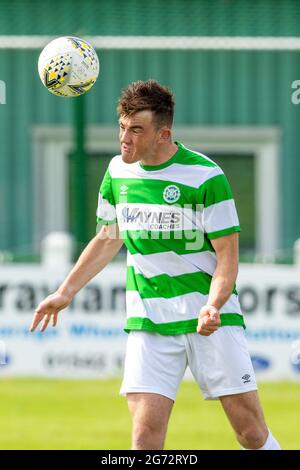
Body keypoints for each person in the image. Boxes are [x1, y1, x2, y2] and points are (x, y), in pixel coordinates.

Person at [30, 79, 281, 451]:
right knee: (144, 440)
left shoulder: (206, 177)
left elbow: (228, 257)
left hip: (209, 319)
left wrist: (213, 305)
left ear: (163, 133)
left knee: (251, 434)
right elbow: (107, 238)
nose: (124, 139)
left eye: (136, 130)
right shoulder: (117, 173)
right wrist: (65, 292)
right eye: (121, 127)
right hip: (149, 320)